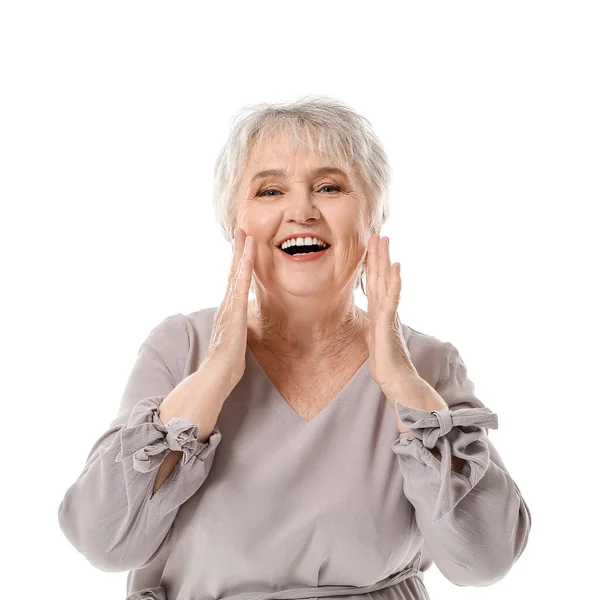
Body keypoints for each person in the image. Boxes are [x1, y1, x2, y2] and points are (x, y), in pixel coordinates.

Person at [57, 96, 532, 600]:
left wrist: (401, 384)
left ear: (372, 218)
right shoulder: (180, 347)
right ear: (234, 223)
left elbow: (484, 561)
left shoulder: (429, 364)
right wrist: (216, 375)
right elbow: (103, 542)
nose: (301, 211)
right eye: (269, 190)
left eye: (329, 187)